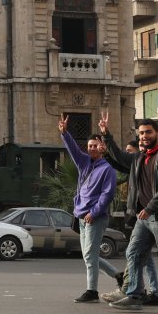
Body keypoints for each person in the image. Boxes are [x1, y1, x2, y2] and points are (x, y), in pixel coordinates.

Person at [100, 112, 158, 314]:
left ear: (157, 133)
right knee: (133, 252)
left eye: (148, 132)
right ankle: (134, 295)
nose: (144, 136)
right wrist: (106, 135)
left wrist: (150, 207)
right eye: (141, 133)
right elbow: (118, 156)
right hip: (144, 217)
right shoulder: (140, 157)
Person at [57, 114, 123, 303]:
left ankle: (92, 292)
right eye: (89, 146)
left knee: (89, 255)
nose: (91, 148)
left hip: (95, 217)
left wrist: (93, 213)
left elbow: (107, 194)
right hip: (81, 216)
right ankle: (118, 276)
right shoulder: (84, 163)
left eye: (95, 145)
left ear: (102, 148)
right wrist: (64, 133)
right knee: (89, 256)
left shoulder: (107, 168)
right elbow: (73, 150)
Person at [101, 139, 158, 306]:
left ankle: (137, 290)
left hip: (153, 215)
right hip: (140, 215)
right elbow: (121, 165)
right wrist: (107, 154)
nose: (126, 154)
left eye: (129, 151)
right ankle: (143, 292)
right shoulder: (136, 165)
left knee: (150, 254)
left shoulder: (153, 162)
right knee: (139, 254)